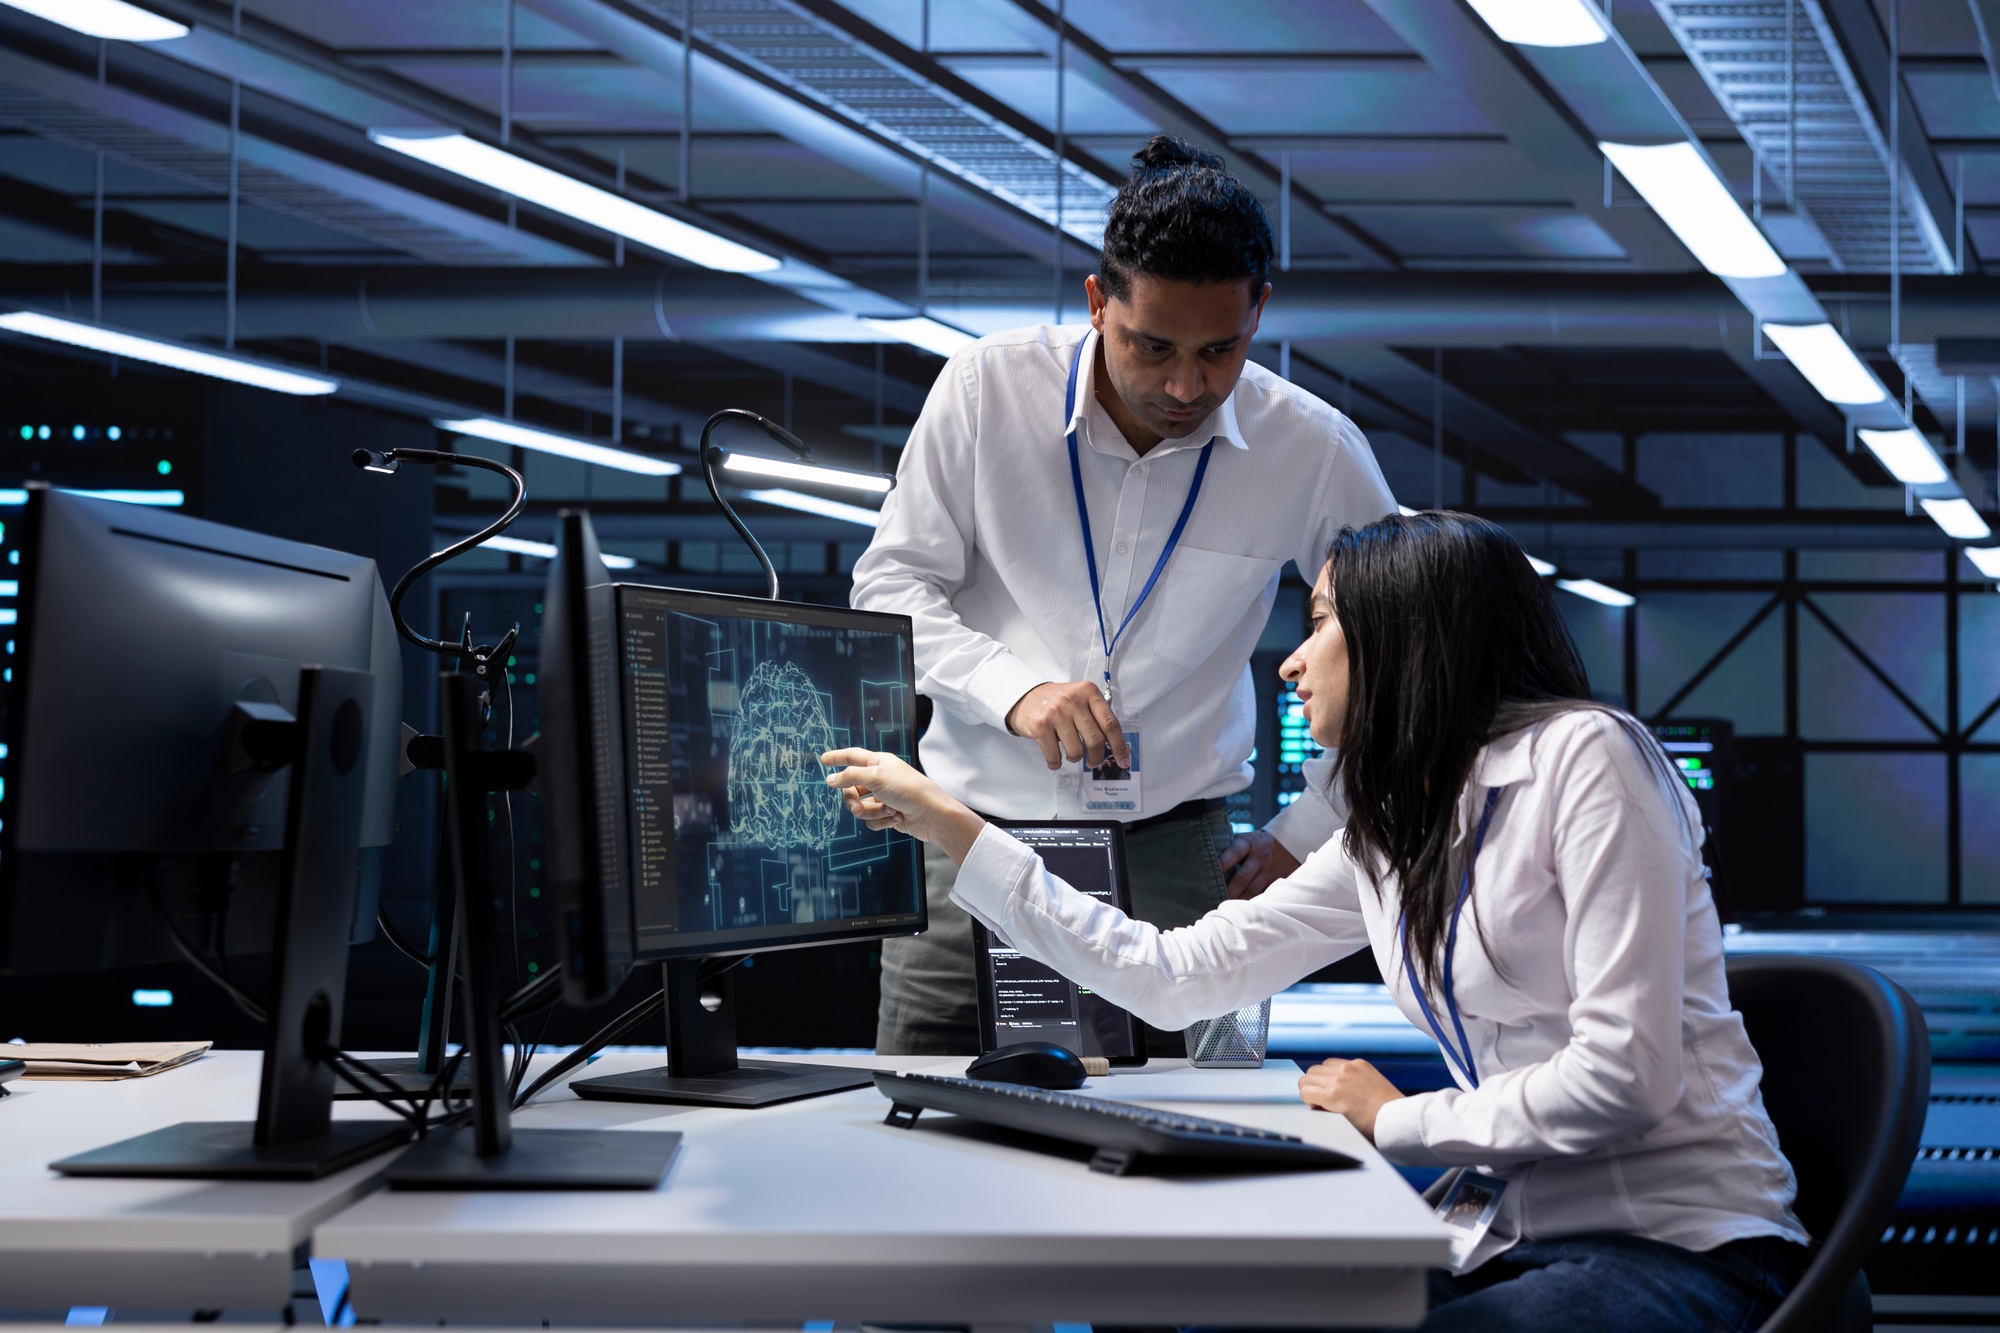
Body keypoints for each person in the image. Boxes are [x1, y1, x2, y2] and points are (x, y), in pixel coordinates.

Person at [824, 511, 1812, 1331]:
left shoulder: (1587, 757)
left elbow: (1623, 1076)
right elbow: (1169, 973)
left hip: (1676, 1244)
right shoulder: (1397, 827)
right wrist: (960, 830)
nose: (1292, 663)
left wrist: (1396, 1119)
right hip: (1503, 1229)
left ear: (1406, 633)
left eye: (1322, 622)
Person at [851, 134, 1395, 1055]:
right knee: (929, 1107)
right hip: (972, 832)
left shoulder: (1312, 448)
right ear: (1099, 303)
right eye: (1153, 347)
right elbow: (888, 585)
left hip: (1178, 852)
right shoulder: (986, 393)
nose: (1187, 385)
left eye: (1220, 350)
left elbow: (1406, 642)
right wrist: (1011, 691)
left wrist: (1311, 825)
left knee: (1190, 1130)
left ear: (1259, 311)